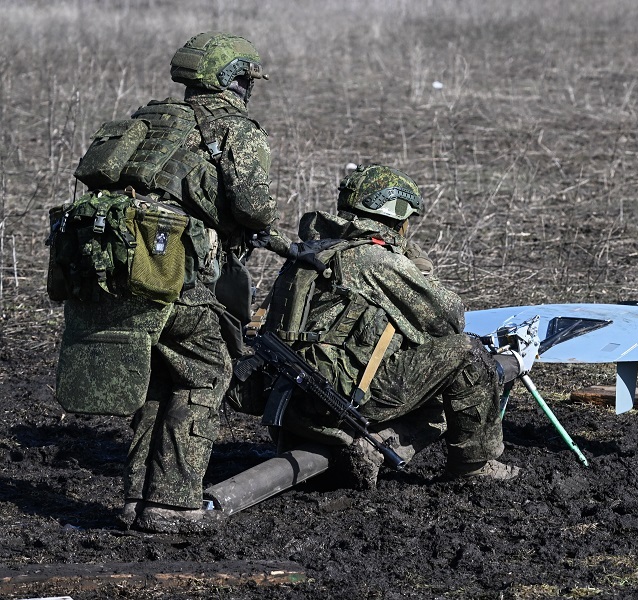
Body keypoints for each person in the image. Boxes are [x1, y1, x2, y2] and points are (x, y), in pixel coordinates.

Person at [50, 31, 292, 533]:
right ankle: (175, 504)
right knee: (206, 371)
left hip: (120, 277)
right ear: (234, 81)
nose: (249, 90)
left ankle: (138, 500)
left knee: (159, 377)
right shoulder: (235, 130)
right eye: (247, 81)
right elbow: (252, 207)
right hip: (177, 278)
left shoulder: (149, 120)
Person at [248, 164, 538, 489]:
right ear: (398, 217)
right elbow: (450, 321)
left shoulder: (315, 252)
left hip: (290, 404)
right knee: (466, 356)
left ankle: (369, 446)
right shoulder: (376, 259)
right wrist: (418, 268)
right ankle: (473, 466)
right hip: (340, 402)